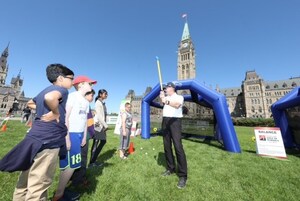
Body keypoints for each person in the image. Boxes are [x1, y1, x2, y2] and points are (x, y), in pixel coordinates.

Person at [0, 64, 74, 201]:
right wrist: (55, 112)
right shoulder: (62, 90)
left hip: (34, 137)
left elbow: (29, 103)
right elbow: (50, 98)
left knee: (24, 181)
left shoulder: (44, 90)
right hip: (49, 140)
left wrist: (45, 110)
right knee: (39, 184)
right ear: (60, 78)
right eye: (71, 78)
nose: (73, 81)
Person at [53, 76, 96, 201]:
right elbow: (65, 118)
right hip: (70, 134)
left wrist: (83, 137)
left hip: (79, 136)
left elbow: (84, 122)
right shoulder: (72, 96)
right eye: (89, 83)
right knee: (69, 166)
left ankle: (60, 192)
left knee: (73, 165)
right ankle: (58, 195)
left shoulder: (86, 102)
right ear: (81, 84)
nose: (91, 86)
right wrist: (66, 137)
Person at [159, 82, 188, 189]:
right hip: (165, 121)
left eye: (167, 87)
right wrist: (162, 98)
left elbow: (177, 105)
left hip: (175, 121)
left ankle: (183, 176)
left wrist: (166, 100)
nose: (166, 88)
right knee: (167, 146)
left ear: (172, 88)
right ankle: (170, 168)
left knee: (178, 147)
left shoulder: (179, 97)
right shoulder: (165, 97)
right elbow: (163, 104)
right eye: (165, 87)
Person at [71, 89, 95, 189]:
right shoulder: (85, 105)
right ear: (86, 95)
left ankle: (73, 177)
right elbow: (87, 122)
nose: (92, 98)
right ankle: (79, 180)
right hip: (84, 135)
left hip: (81, 134)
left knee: (77, 157)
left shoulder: (84, 104)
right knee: (82, 158)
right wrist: (92, 133)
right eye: (91, 96)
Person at [89, 89, 108, 167]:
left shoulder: (101, 103)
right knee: (96, 142)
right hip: (97, 124)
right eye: (105, 94)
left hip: (100, 124)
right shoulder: (98, 103)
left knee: (102, 141)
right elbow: (99, 116)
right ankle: (92, 163)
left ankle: (93, 160)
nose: (106, 95)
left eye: (107, 94)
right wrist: (105, 125)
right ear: (100, 94)